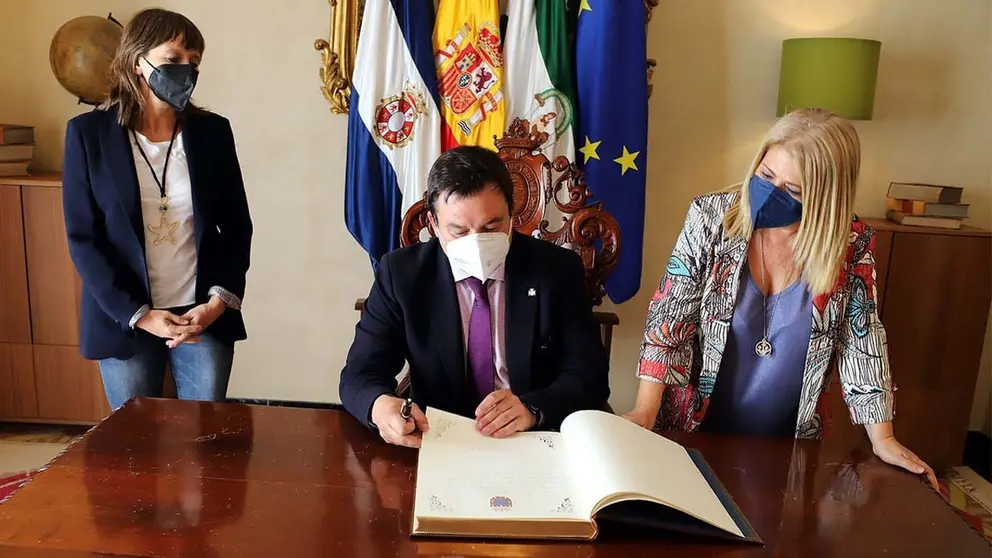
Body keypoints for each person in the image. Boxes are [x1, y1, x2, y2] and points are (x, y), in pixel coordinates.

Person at [623, 108, 937, 488]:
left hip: (789, 451)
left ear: (826, 198)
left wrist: (882, 437)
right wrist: (645, 410)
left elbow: (863, 338)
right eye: (766, 176)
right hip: (695, 429)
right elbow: (671, 313)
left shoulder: (851, 244)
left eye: (793, 190)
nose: (771, 193)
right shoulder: (710, 217)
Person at [339, 146, 610, 447]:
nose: (476, 242)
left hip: (529, 440)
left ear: (512, 213)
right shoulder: (401, 275)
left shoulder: (556, 270)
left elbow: (589, 375)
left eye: (491, 227)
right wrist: (380, 406)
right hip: (438, 439)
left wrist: (533, 409)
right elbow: (360, 374)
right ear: (434, 225)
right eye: (458, 230)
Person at [62, 8, 252, 411]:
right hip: (126, 319)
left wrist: (217, 304)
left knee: (204, 440)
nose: (186, 69)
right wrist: (140, 315)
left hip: (202, 317)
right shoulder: (88, 135)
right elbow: (84, 238)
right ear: (137, 61)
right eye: (173, 59)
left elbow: (236, 227)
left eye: (194, 61)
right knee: (137, 446)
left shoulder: (212, 133)